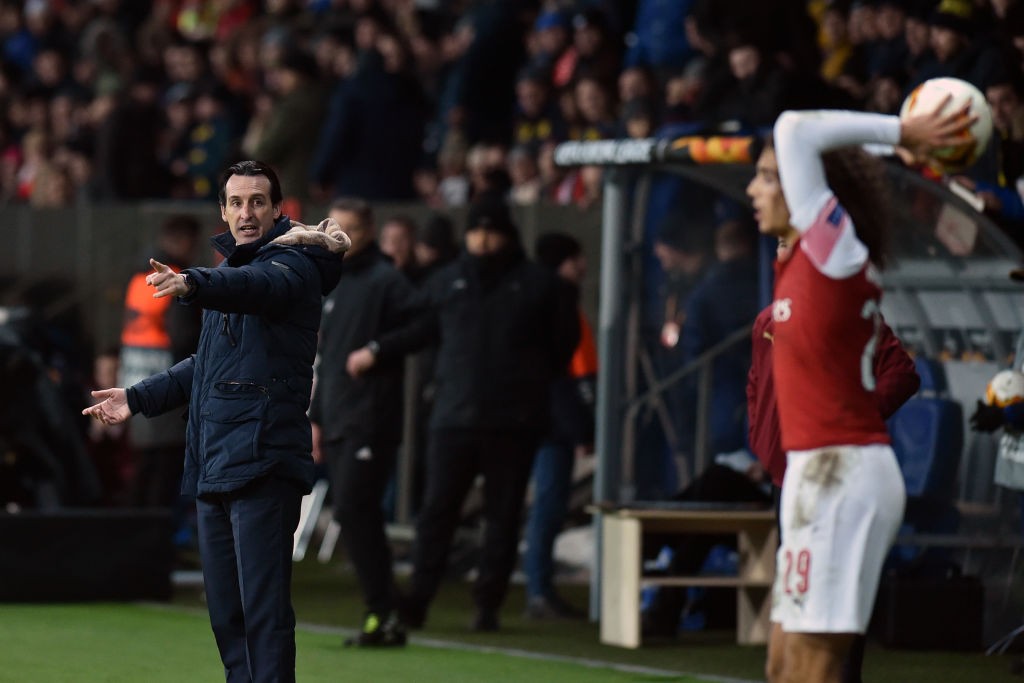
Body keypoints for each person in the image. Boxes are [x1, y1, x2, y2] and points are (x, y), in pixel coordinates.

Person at [83, 160, 349, 683]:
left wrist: (191, 283)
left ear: (278, 210)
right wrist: (136, 397)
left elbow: (256, 289)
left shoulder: (292, 266)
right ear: (223, 211)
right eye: (235, 202)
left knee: (263, 615)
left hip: (264, 459)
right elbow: (206, 365)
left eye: (256, 202)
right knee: (228, 617)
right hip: (217, 459)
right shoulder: (230, 275)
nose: (246, 213)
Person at [745, 105, 971, 683]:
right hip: (808, 472)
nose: (755, 187)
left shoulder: (834, 250)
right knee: (781, 667)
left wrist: (906, 134)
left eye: (770, 176)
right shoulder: (799, 259)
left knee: (818, 671)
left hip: (844, 475)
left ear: (815, 193)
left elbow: (795, 127)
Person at [356, 191, 579, 632]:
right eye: (476, 231)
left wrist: (527, 384)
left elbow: (562, 345)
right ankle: (417, 600)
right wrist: (379, 349)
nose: (483, 240)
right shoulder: (449, 279)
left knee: (502, 517)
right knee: (437, 511)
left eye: (490, 231)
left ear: (507, 233)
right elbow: (419, 326)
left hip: (513, 422)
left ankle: (487, 605)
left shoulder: (540, 284)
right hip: (454, 416)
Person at [747, 241, 921, 682]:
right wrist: (761, 441)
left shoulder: (843, 311)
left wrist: (852, 415)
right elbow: (756, 384)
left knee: (832, 607)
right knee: (798, 611)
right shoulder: (767, 319)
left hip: (832, 475)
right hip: (787, 480)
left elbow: (902, 372)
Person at [308, 197, 422, 647]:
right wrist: (316, 418)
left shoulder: (385, 281)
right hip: (337, 415)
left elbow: (426, 324)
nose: (340, 235)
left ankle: (385, 611)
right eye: (334, 227)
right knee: (356, 514)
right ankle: (389, 609)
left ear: (369, 231)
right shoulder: (332, 281)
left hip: (370, 417)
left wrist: (375, 350)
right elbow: (328, 358)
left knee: (356, 510)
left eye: (350, 228)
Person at [522, 232, 597, 620]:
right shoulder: (558, 300)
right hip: (551, 424)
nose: (583, 265)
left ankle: (535, 588)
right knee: (547, 509)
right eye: (577, 258)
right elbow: (560, 375)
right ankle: (538, 591)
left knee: (543, 508)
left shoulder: (533, 294)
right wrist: (580, 429)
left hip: (534, 418)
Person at [118, 214, 202, 511]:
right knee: (163, 474)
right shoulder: (175, 279)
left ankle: (135, 537)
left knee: (142, 470)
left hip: (134, 380)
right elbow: (184, 337)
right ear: (184, 242)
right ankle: (154, 544)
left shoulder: (137, 278)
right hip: (167, 389)